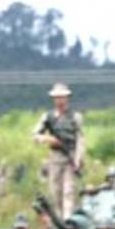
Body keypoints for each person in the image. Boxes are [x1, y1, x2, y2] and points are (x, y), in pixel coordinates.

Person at [33, 83, 85, 218]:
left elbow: (80, 139)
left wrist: (78, 159)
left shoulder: (75, 117)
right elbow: (35, 134)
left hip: (70, 156)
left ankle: (68, 218)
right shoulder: (48, 117)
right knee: (55, 190)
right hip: (55, 156)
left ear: (67, 98)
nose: (60, 100)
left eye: (62, 97)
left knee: (69, 190)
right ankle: (58, 218)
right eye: (57, 98)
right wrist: (48, 139)